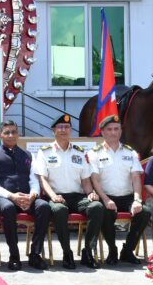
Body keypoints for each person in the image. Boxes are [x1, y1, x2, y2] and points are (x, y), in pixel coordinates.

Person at [32, 113, 102, 269]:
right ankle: (67, 253)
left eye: (67, 127)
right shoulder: (45, 152)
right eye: (60, 127)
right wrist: (53, 196)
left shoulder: (79, 152)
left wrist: (90, 193)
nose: (63, 130)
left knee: (97, 207)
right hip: (55, 196)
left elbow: (85, 180)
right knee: (59, 210)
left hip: (77, 196)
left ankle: (88, 251)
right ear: (54, 130)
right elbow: (42, 180)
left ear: (71, 130)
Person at [0, 120, 50, 270]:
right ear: (0, 135)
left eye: (14, 132)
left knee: (44, 207)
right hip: (3, 198)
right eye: (7, 132)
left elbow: (34, 181)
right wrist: (12, 196)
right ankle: (14, 256)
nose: (11, 135)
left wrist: (32, 196)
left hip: (27, 198)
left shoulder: (28, 155)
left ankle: (35, 254)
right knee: (8, 208)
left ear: (18, 134)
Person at [89, 114, 148, 265]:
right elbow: (94, 179)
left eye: (116, 129)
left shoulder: (130, 152)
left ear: (121, 131)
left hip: (128, 196)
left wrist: (137, 200)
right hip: (106, 196)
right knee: (105, 212)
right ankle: (112, 250)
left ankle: (128, 250)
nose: (113, 132)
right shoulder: (94, 153)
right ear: (102, 132)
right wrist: (105, 199)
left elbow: (136, 178)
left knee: (145, 212)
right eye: (109, 129)